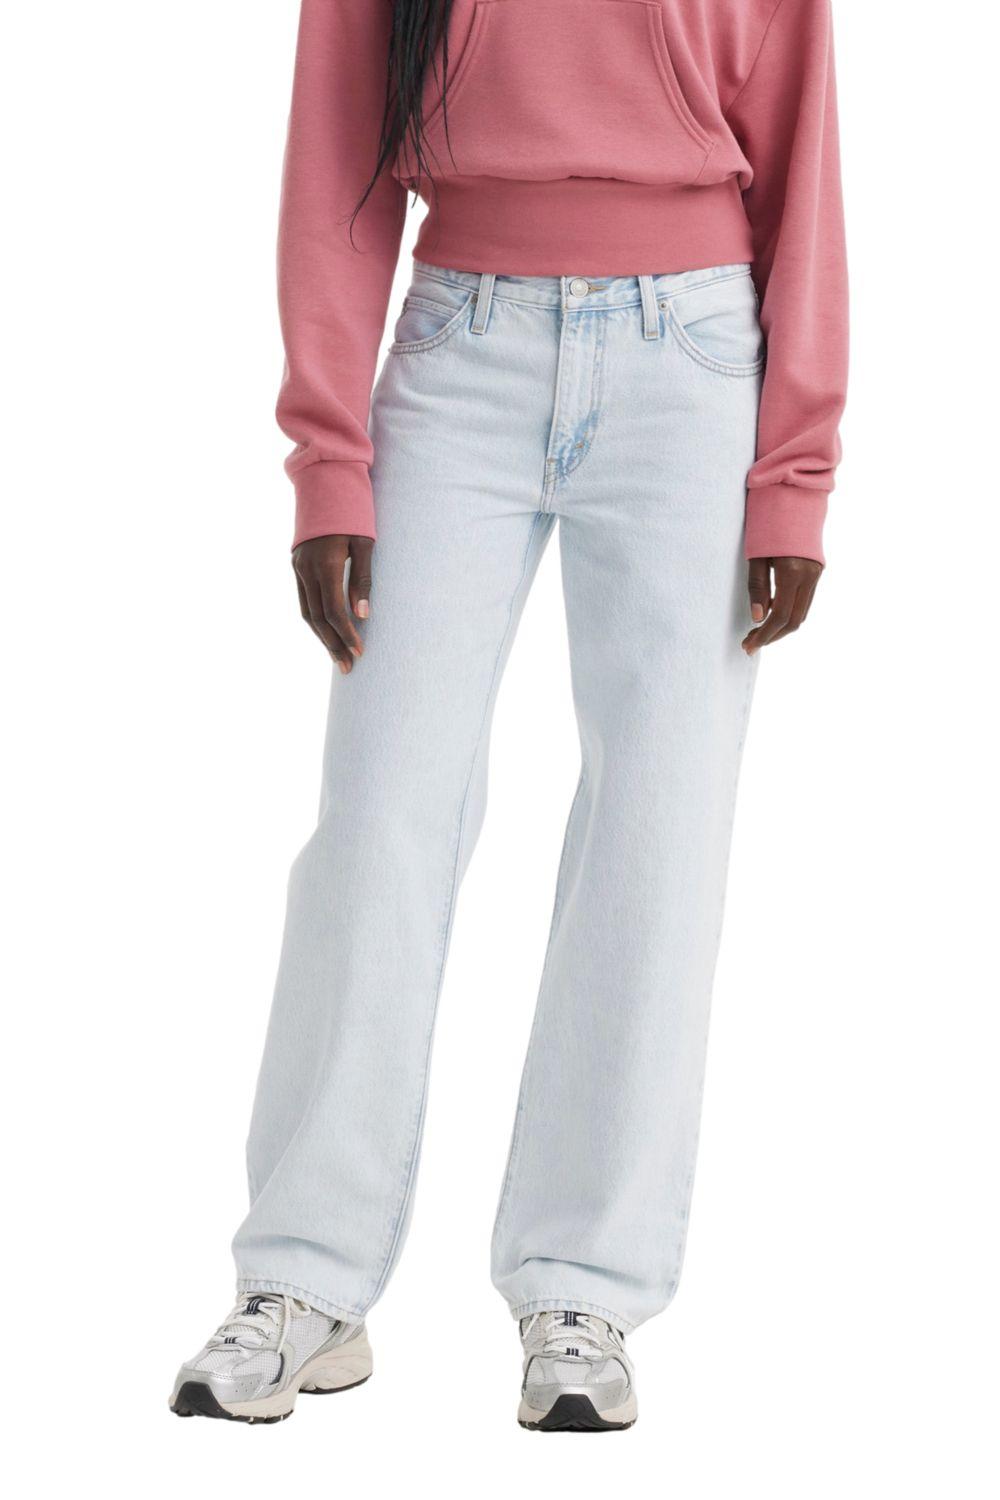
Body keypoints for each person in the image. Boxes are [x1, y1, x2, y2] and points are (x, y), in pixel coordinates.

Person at [169, 0, 847, 1432]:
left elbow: (803, 159)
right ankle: (304, 1278)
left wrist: (794, 471)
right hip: (458, 345)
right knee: (378, 821)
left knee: (657, 838)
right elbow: (336, 160)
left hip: (692, 361)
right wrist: (328, 458)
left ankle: (584, 1286)